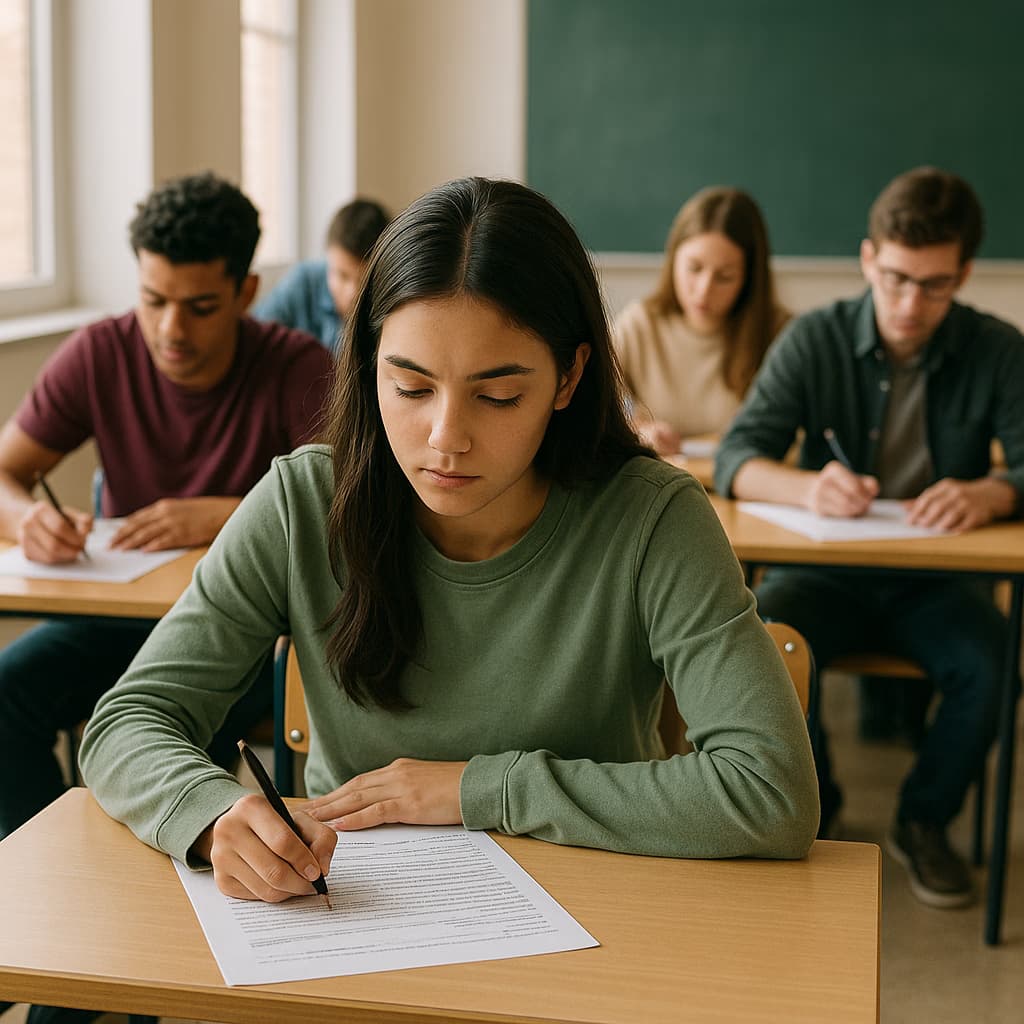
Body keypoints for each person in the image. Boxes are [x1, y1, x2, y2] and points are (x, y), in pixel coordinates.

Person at [80, 176, 818, 905]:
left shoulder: (654, 519)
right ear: (370, 364)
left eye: (498, 395)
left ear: (569, 377)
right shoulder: (303, 501)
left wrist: (480, 786)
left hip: (596, 919)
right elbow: (128, 722)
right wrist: (212, 813)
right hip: (357, 919)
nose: (445, 438)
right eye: (410, 387)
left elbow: (770, 788)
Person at [0, 168, 333, 916]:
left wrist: (227, 514)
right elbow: (6, 472)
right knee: (6, 694)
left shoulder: (298, 367)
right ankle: (67, 902)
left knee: (182, 750)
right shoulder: (100, 353)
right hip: (111, 627)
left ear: (246, 293)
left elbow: (347, 505)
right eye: (152, 301)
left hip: (242, 642)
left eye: (199, 306)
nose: (170, 330)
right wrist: (29, 520)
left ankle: (148, 937)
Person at [714, 167, 1024, 908]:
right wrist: (805, 486)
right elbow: (736, 456)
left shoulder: (998, 349)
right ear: (866, 259)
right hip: (828, 574)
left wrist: (992, 491)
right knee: (767, 635)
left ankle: (925, 822)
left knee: (990, 666)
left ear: (964, 275)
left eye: (935, 285)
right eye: (895, 279)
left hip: (938, 581)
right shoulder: (814, 338)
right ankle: (815, 802)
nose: (911, 304)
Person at [612, 186, 788, 455]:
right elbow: (593, 405)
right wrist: (636, 430)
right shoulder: (640, 325)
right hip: (656, 486)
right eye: (694, 268)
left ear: (749, 279)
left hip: (740, 490)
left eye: (725, 276)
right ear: (673, 261)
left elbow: (800, 438)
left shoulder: (782, 334)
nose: (704, 290)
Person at [253, 197, 391, 353]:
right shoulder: (304, 283)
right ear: (328, 256)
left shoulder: (392, 303)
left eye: (365, 281)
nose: (352, 292)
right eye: (342, 275)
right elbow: (256, 337)